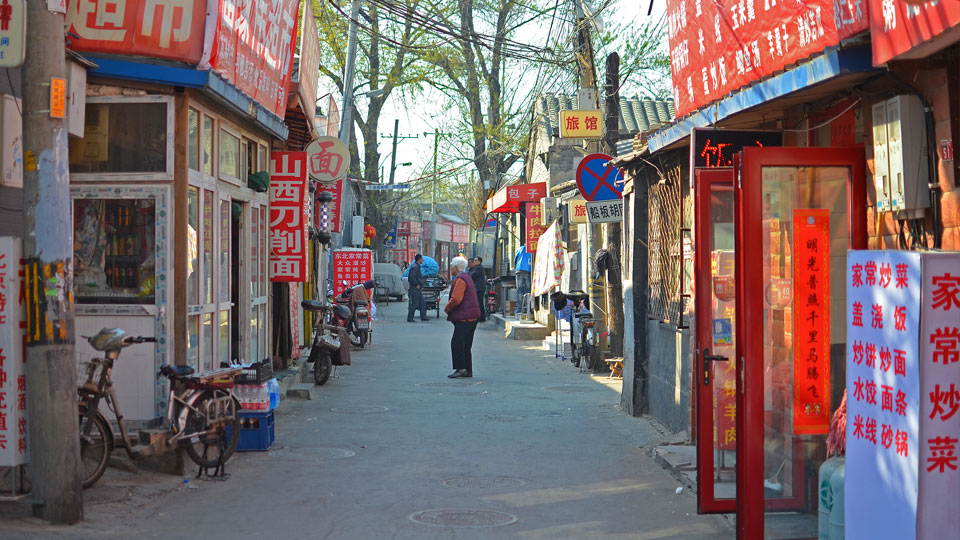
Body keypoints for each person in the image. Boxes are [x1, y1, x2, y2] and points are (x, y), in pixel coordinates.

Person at [444, 256, 480, 378]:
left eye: (452, 267)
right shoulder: (467, 277)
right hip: (472, 316)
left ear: (456, 267)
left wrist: (447, 308)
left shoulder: (460, 279)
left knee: (457, 343)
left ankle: (460, 368)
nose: (451, 269)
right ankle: (468, 369)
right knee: (466, 344)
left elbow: (457, 299)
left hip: (465, 317)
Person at [407, 254, 428, 322]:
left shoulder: (417, 266)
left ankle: (423, 317)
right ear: (419, 259)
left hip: (417, 288)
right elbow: (411, 277)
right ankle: (410, 318)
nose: (423, 260)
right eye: (422, 259)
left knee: (422, 303)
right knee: (414, 303)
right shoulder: (415, 267)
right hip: (414, 288)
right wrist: (416, 284)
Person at [514, 245, 532, 316]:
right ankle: (529, 309)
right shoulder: (531, 249)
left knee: (519, 291)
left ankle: (519, 309)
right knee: (528, 291)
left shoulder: (519, 249)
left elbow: (515, 260)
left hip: (519, 271)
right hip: (528, 271)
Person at [468, 257, 488, 322]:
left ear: (479, 261)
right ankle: (479, 316)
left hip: (479, 288)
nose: (474, 261)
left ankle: (482, 317)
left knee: (480, 303)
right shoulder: (476, 268)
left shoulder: (479, 268)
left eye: (476, 260)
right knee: (478, 302)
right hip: (477, 288)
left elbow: (473, 275)